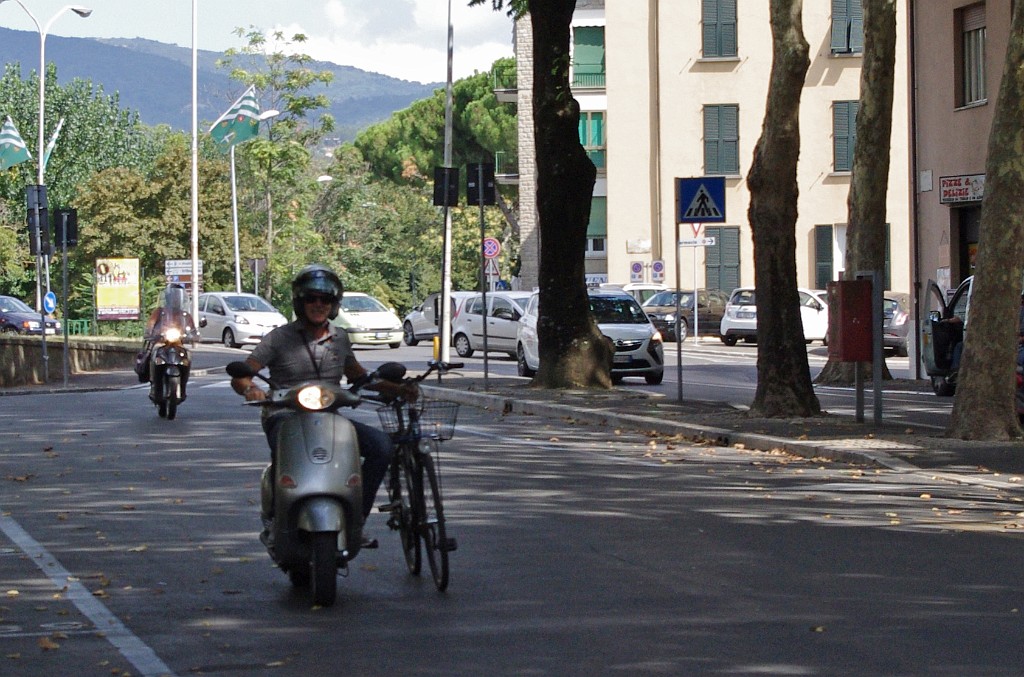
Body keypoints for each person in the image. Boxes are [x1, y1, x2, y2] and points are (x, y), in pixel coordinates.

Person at [228, 264, 415, 538]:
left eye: (325, 299)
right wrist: (250, 389)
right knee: (286, 455)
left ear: (334, 304)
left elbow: (359, 377)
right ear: (299, 302)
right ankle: (278, 517)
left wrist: (397, 388)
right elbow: (244, 373)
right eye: (311, 298)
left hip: (330, 419)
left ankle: (355, 519)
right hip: (284, 416)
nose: (318, 304)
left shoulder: (340, 338)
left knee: (381, 446)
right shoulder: (279, 337)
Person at [136, 284, 199, 385]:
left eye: (178, 298)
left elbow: (192, 330)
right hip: (161, 342)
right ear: (168, 299)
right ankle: (153, 379)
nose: (176, 300)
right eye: (173, 298)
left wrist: (194, 336)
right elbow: (150, 325)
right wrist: (150, 332)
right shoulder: (159, 312)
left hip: (178, 344)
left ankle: (183, 382)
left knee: (188, 355)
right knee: (154, 352)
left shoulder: (185, 315)